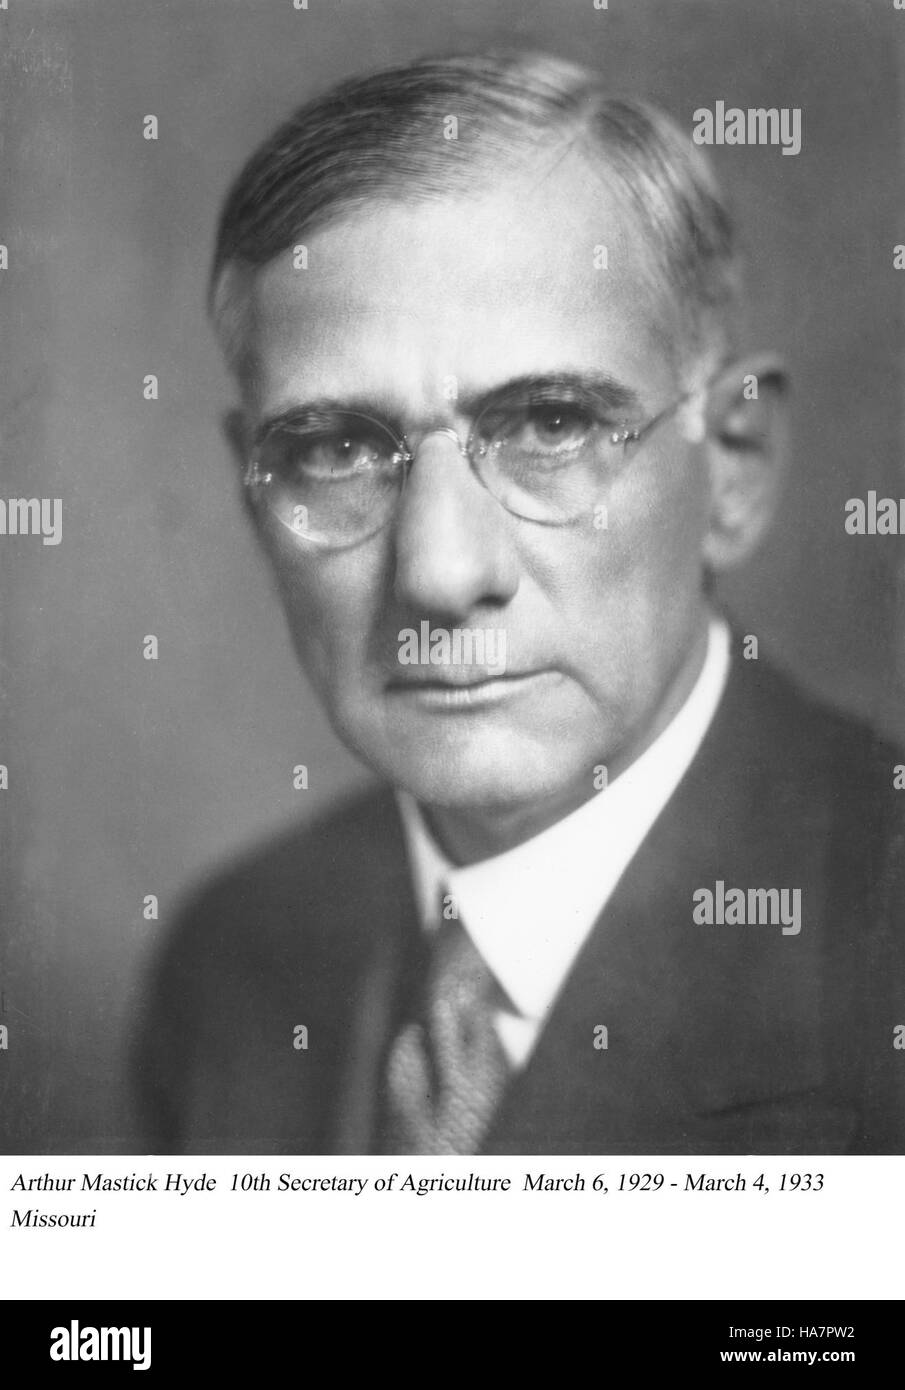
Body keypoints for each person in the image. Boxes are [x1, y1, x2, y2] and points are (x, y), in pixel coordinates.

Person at [131, 51, 905, 1155]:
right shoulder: (230, 965)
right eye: (338, 449)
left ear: (732, 466)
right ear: (254, 496)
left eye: (550, 426)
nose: (440, 573)